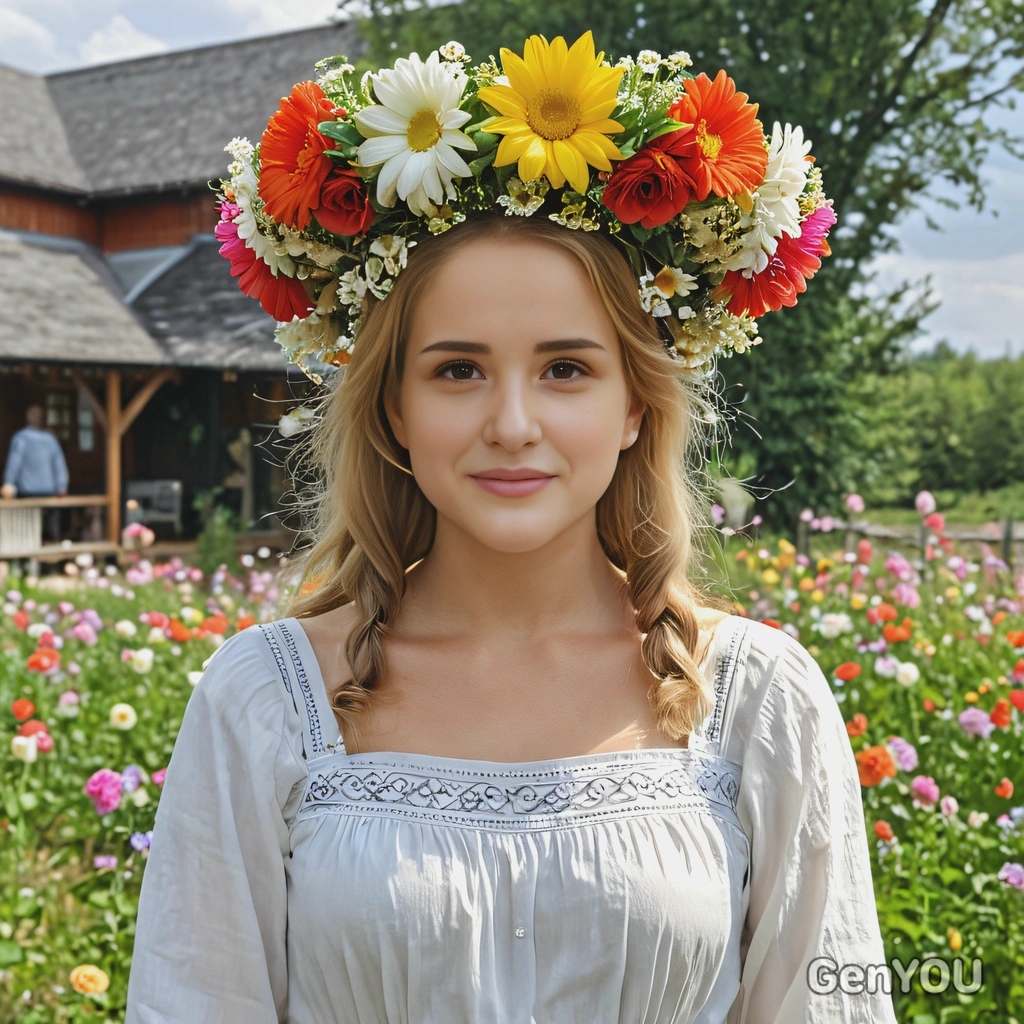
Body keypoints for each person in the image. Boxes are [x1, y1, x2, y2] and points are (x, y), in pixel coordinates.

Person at [125, 33, 896, 1024]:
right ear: (395, 409)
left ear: (633, 408)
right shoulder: (266, 702)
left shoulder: (756, 704)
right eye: (457, 369)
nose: (513, 424)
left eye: (566, 368)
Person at [2, 404, 69, 542]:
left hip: (31, 491)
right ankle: (46, 560)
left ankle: (37, 559)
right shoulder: (46, 439)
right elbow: (59, 464)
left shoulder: (23, 438)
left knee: (28, 528)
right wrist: (62, 486)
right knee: (46, 529)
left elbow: (14, 463)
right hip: (41, 491)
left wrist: (8, 483)